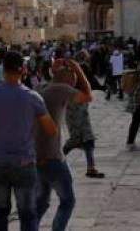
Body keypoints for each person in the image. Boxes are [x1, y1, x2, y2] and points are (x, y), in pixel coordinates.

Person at [0, 51, 56, 231]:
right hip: (24, 163)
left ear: (3, 69)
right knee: (27, 213)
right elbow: (51, 130)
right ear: (23, 70)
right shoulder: (33, 97)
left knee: (1, 210)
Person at [34, 54, 92, 231]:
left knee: (42, 202)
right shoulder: (61, 89)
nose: (74, 81)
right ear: (67, 77)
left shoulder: (40, 88)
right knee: (68, 201)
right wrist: (78, 68)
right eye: (72, 78)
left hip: (36, 156)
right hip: (53, 156)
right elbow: (88, 95)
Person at [63, 51, 105, 179]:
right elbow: (90, 81)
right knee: (76, 139)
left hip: (79, 106)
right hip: (75, 105)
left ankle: (91, 168)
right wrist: (101, 87)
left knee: (88, 139)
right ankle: (55, 158)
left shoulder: (73, 69)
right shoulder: (78, 70)